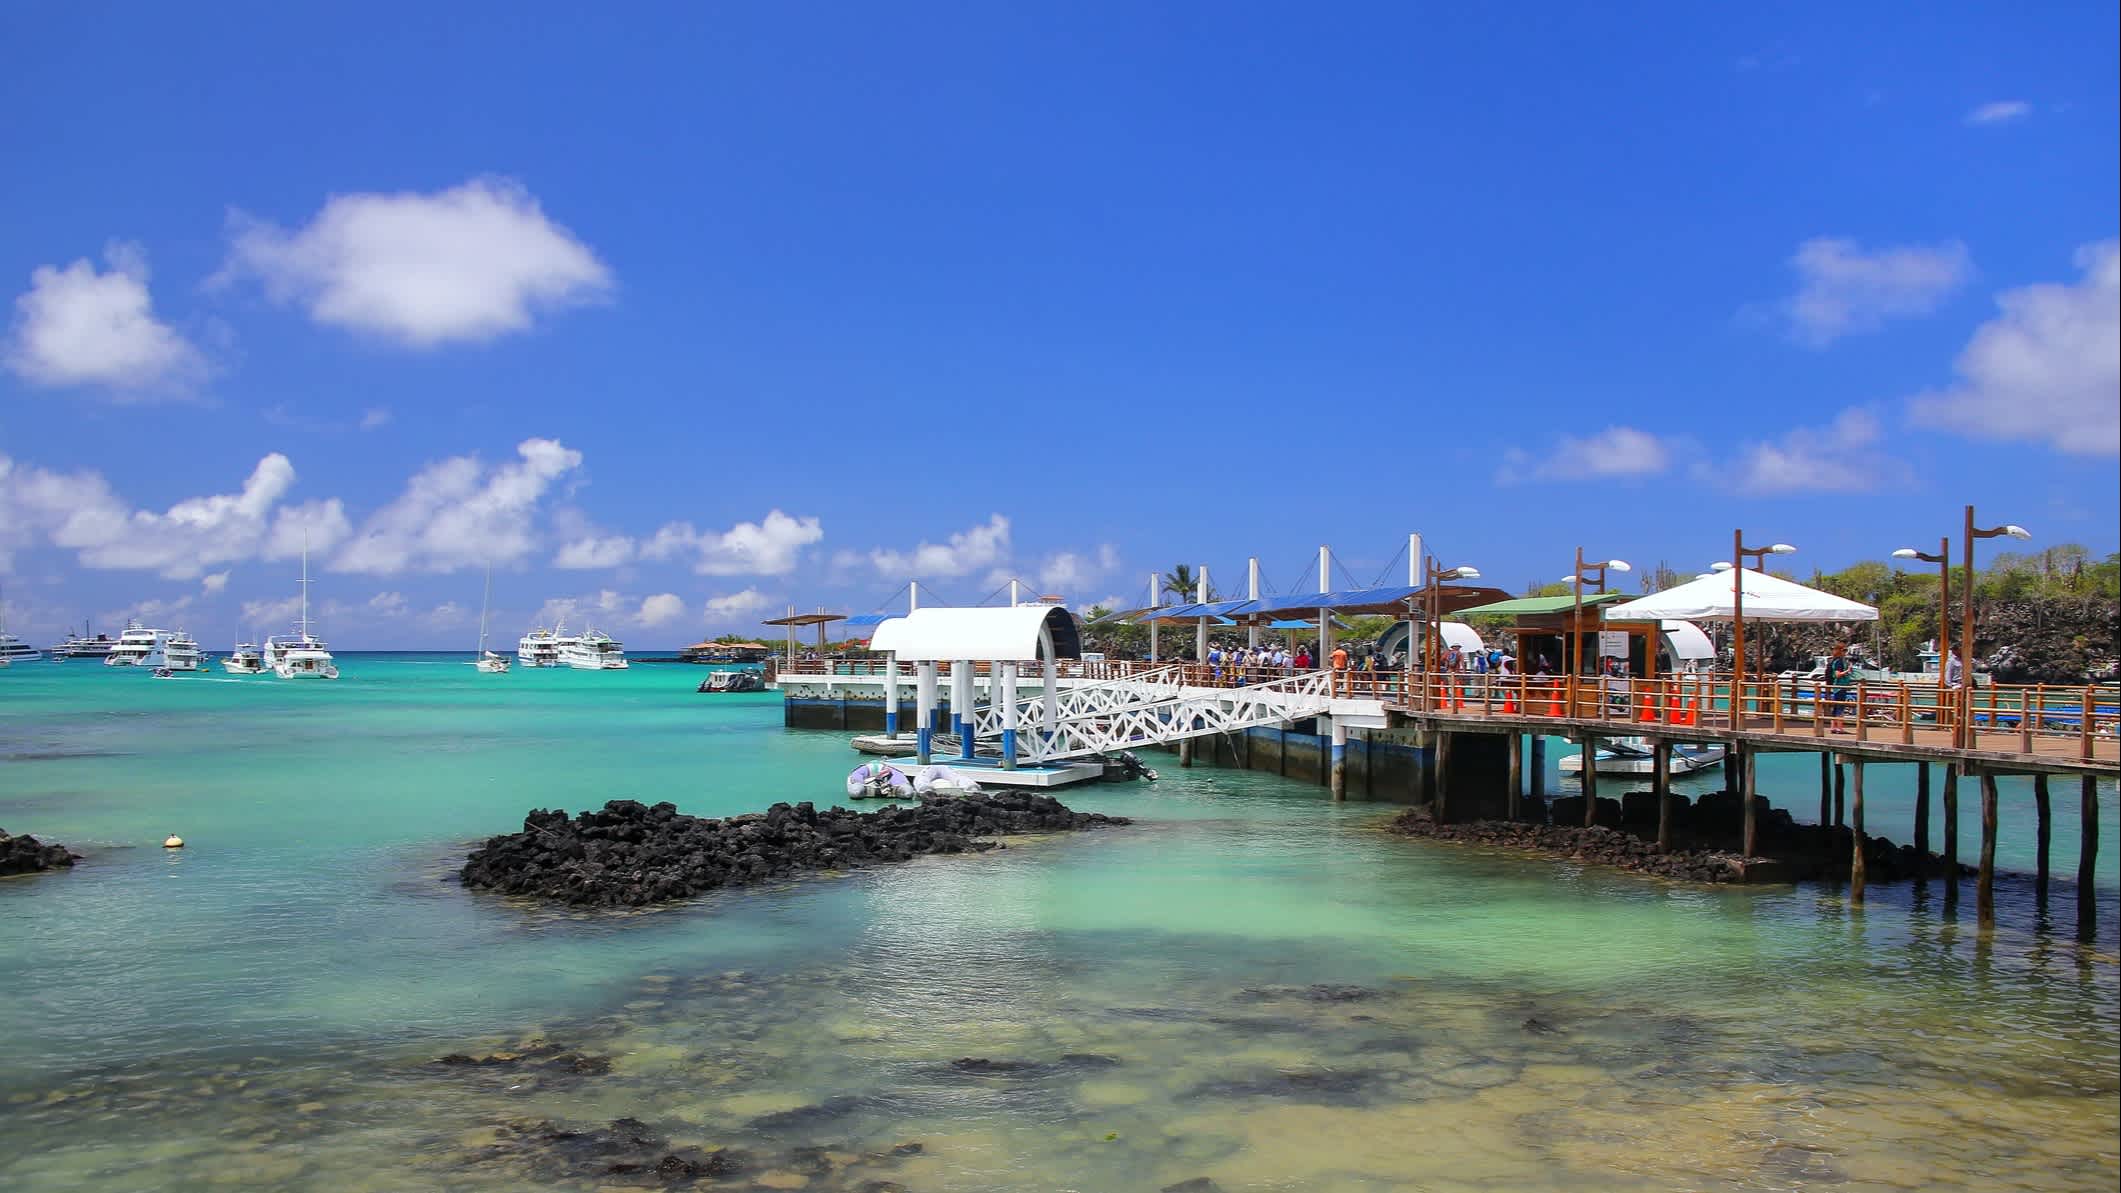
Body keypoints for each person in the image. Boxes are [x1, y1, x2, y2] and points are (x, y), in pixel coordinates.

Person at [1825, 642, 1856, 734]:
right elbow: (1837, 675)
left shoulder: (1836, 661)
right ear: (1839, 651)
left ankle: (1833, 727)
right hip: (1839, 686)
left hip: (1838, 686)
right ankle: (1840, 728)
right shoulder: (1838, 662)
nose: (1845, 652)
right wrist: (1847, 671)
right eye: (1844, 650)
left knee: (1836, 707)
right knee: (1840, 707)